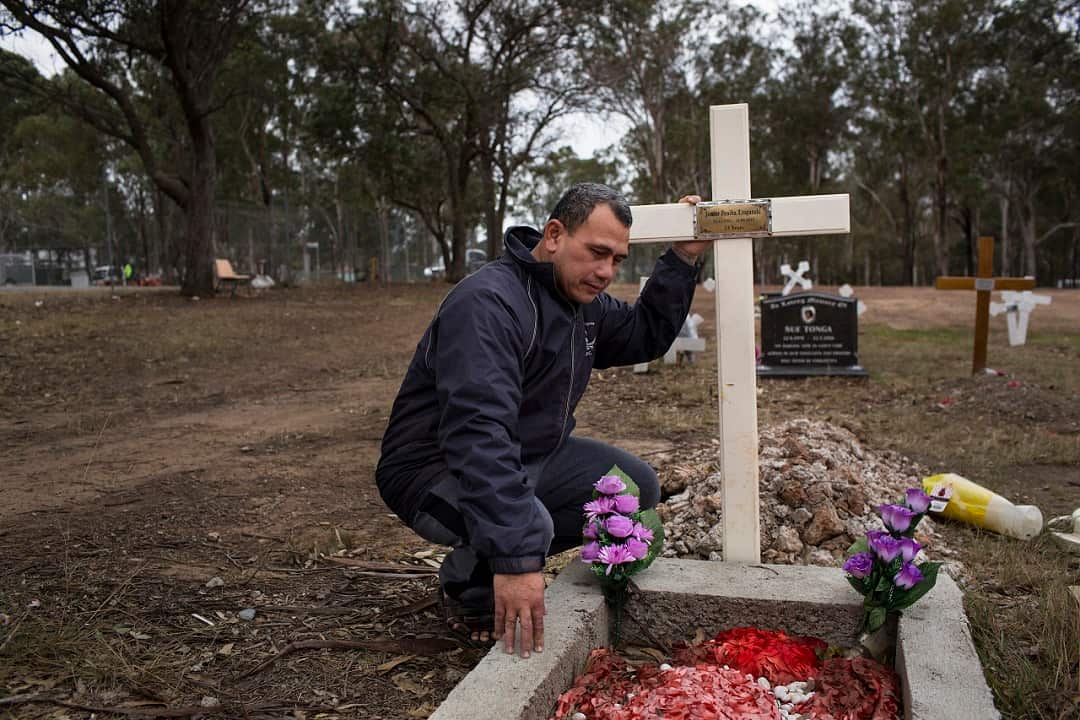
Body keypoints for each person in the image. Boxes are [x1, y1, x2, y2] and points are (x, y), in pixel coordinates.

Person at [376, 183, 708, 658]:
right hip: (433, 468)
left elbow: (643, 336)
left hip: (528, 454)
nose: (606, 272)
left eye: (617, 260)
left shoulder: (582, 301)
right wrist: (516, 559)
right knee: (528, 524)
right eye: (597, 252)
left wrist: (682, 258)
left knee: (630, 490)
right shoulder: (489, 304)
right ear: (554, 235)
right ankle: (473, 587)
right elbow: (478, 435)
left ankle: (487, 557)